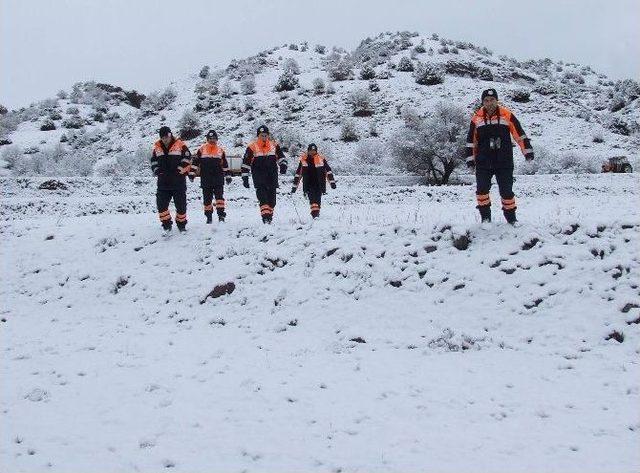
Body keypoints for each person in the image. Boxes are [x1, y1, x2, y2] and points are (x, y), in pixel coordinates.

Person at [465, 88, 534, 224]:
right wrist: (470, 161)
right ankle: (485, 219)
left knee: (507, 191)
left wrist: (527, 151)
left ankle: (512, 220)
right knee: (482, 191)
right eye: (486, 100)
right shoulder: (476, 118)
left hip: (504, 161)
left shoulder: (507, 115)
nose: (489, 103)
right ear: (482, 102)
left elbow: (519, 134)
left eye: (492, 100)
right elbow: (471, 142)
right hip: (484, 162)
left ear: (497, 100)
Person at [242, 125, 288, 223]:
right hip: (259, 178)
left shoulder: (274, 145)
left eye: (265, 135)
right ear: (258, 136)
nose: (263, 137)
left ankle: (269, 216)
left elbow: (281, 157)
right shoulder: (252, 147)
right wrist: (245, 177)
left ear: (268, 135)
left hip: (272, 177)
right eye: (261, 135)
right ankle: (265, 218)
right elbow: (246, 163)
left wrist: (283, 166)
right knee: (263, 199)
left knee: (272, 202)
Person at [150, 126, 192, 232]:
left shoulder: (180, 145)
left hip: (178, 182)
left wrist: (179, 169)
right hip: (163, 183)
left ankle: (181, 225)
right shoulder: (157, 148)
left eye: (167, 136)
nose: (166, 139)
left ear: (170, 135)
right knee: (161, 205)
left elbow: (187, 158)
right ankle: (166, 225)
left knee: (181, 207)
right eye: (163, 137)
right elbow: (153, 161)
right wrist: (156, 170)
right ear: (161, 138)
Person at [190, 130, 231, 223]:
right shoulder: (201, 149)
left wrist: (228, 175)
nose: (212, 140)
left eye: (214, 138)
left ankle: (221, 216)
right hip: (206, 179)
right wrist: (192, 173)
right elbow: (195, 162)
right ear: (207, 139)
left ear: (216, 139)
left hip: (218, 179)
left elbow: (224, 164)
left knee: (219, 199)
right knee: (207, 200)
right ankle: (209, 217)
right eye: (210, 138)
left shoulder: (220, 150)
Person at [290, 143, 336, 218]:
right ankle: (315, 214)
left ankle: (316, 213)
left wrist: (332, 183)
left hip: (319, 184)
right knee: (312, 200)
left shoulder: (321, 159)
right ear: (308, 151)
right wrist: (294, 187)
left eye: (314, 151)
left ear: (316, 151)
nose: (312, 152)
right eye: (311, 150)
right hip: (308, 184)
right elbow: (298, 174)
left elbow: (328, 171)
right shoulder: (303, 160)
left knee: (317, 200)